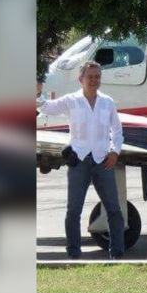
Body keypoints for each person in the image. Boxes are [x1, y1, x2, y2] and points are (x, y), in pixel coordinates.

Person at [36, 61, 126, 259]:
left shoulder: (107, 102)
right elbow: (47, 108)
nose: (94, 81)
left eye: (97, 77)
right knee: (73, 209)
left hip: (103, 161)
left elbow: (117, 131)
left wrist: (115, 152)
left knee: (114, 209)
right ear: (81, 79)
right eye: (90, 77)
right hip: (79, 162)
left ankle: (117, 254)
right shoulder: (72, 100)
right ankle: (74, 254)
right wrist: (37, 95)